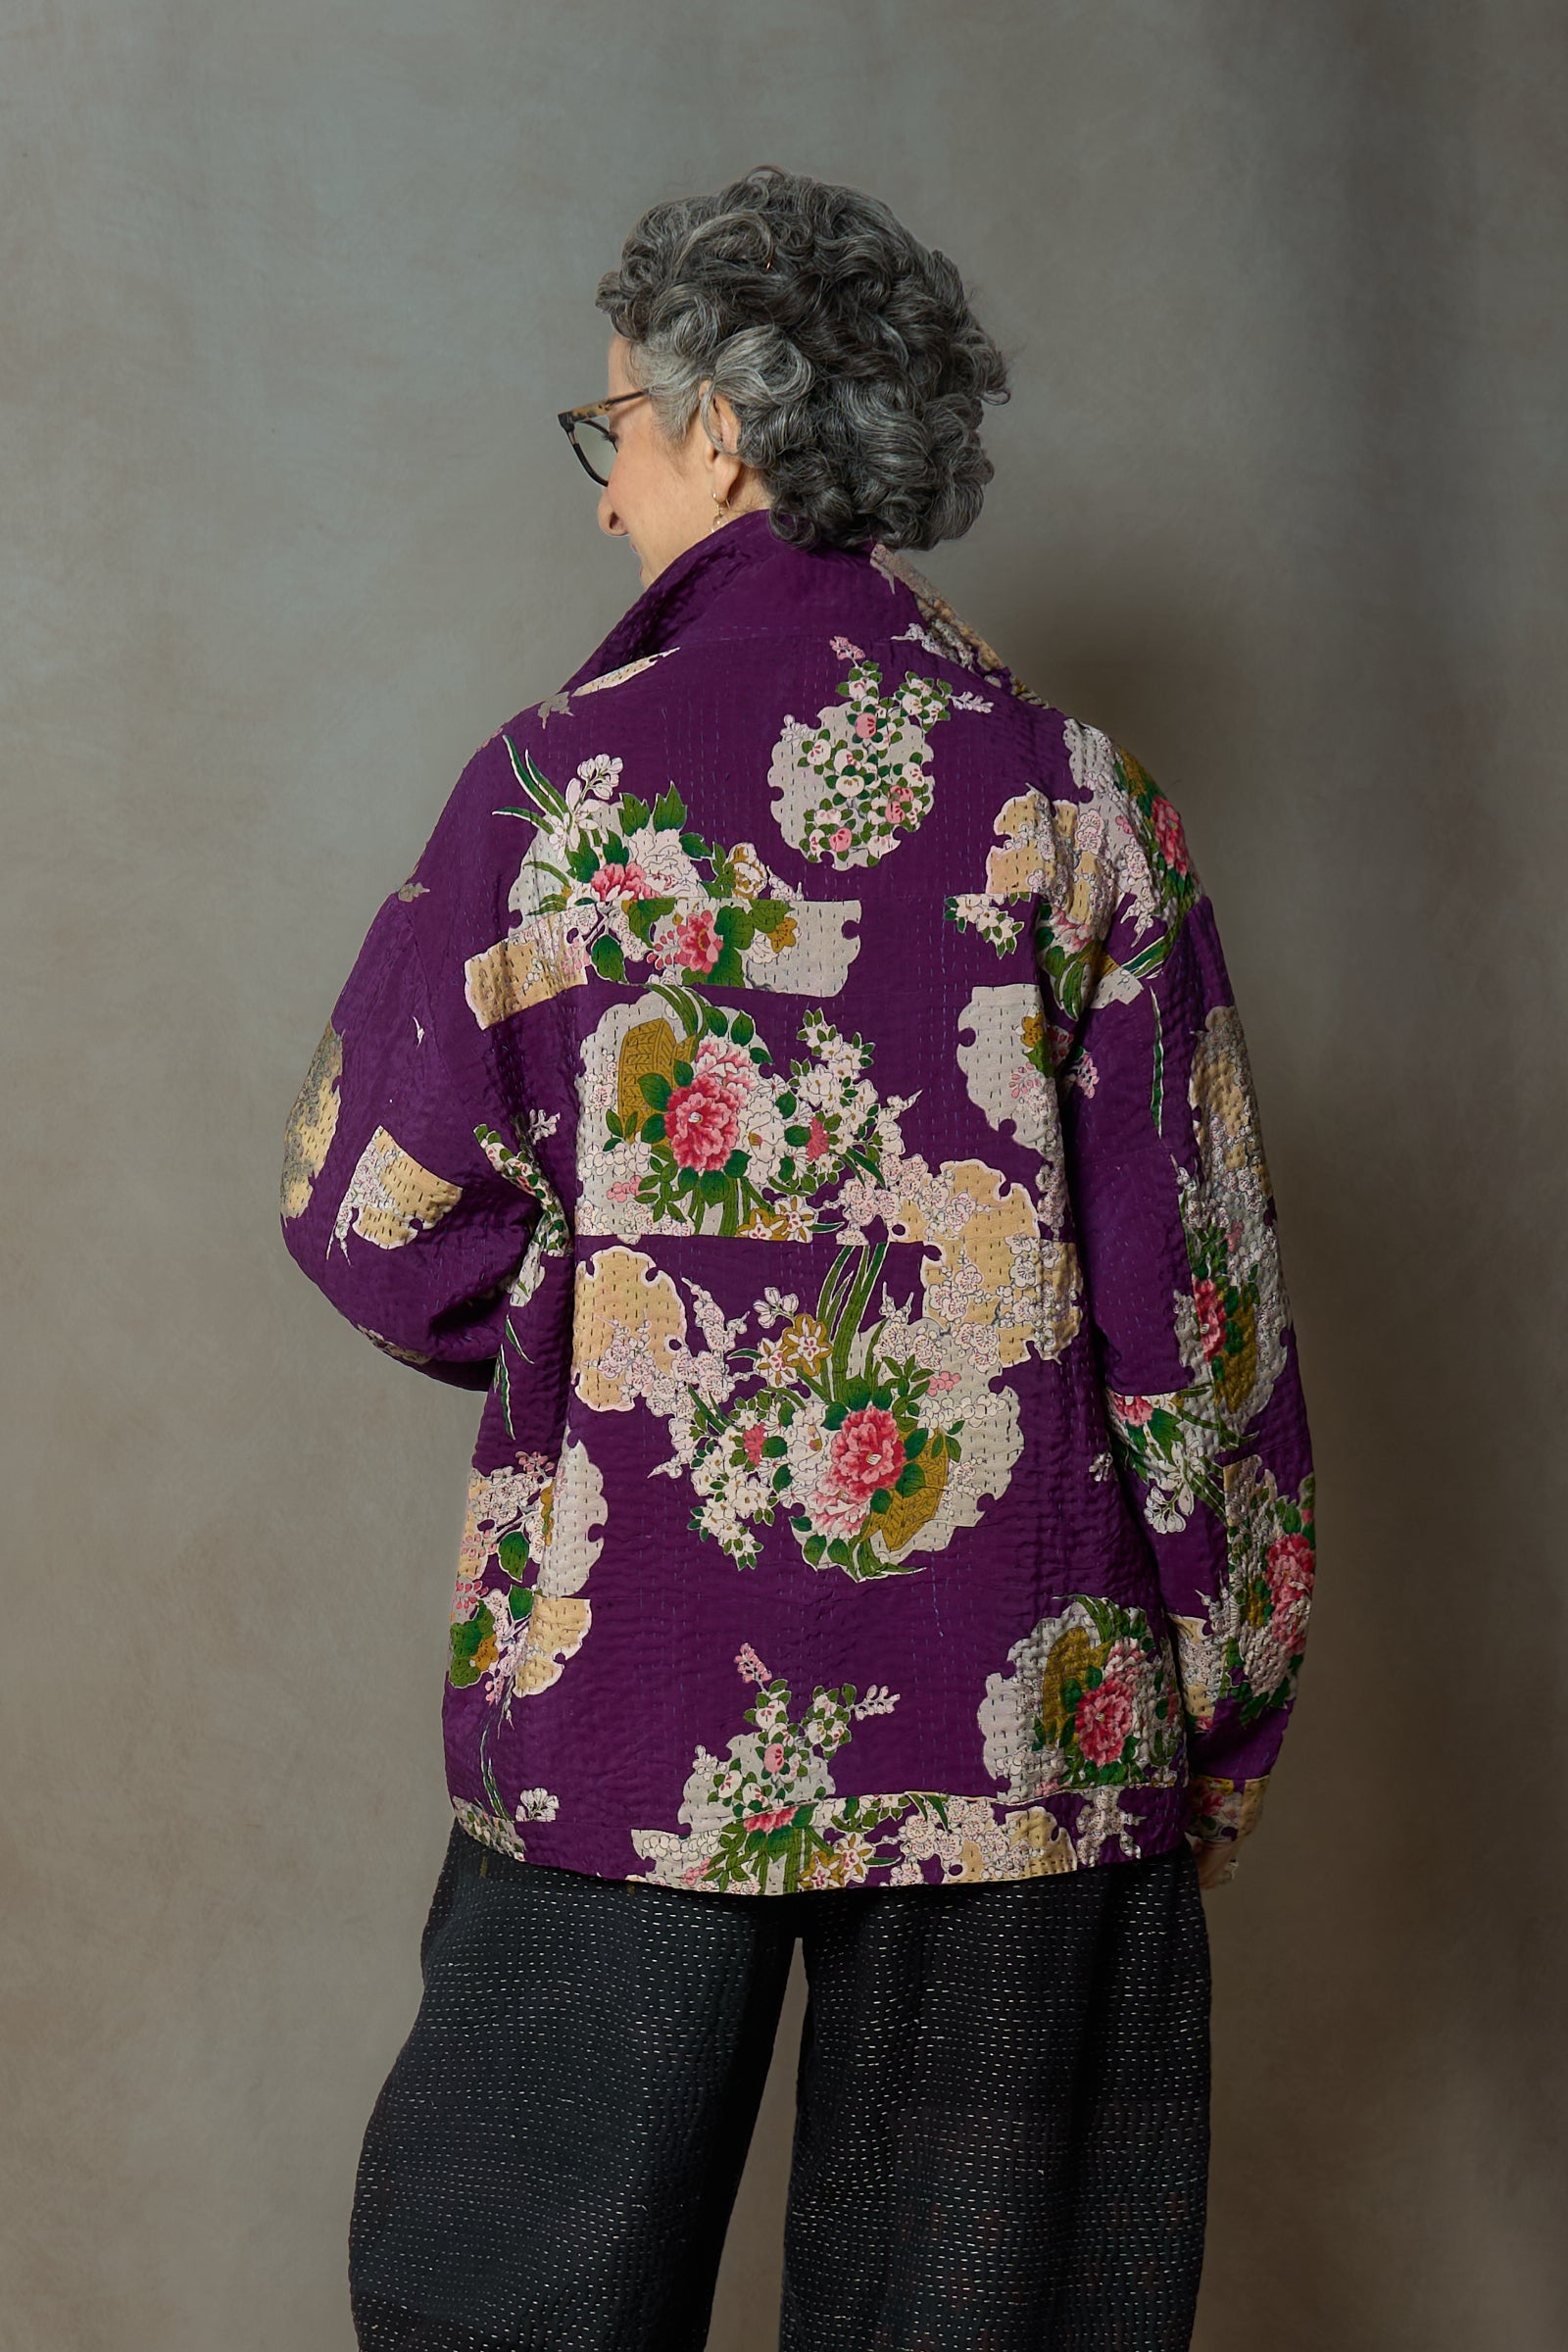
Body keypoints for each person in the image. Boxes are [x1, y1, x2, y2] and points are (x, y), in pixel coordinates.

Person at [280, 164, 1316, 2352]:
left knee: (508, 2305)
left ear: (722, 431)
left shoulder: (555, 796)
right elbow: (1198, 1322)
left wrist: (620, 1343)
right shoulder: (1081, 805)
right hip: (1026, 1709)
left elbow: (375, 1217)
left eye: (613, 430)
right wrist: (1224, 1695)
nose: (603, 493)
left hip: (626, 1688)